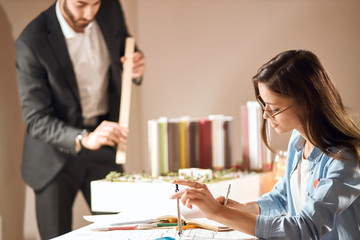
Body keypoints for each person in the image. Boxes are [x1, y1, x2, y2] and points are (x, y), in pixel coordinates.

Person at [171, 50, 360, 239]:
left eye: (275, 108)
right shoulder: (298, 140)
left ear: (308, 103)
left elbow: (306, 227)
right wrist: (244, 208)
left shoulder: (345, 159)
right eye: (264, 104)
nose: (265, 115)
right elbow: (283, 196)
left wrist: (219, 213)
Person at [15, 0, 145, 239]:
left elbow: (127, 48)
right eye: (81, 4)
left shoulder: (110, 8)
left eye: (95, 3)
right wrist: (84, 139)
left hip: (104, 141)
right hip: (54, 155)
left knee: (123, 231)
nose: (89, 13)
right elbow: (36, 119)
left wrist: (135, 66)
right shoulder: (31, 42)